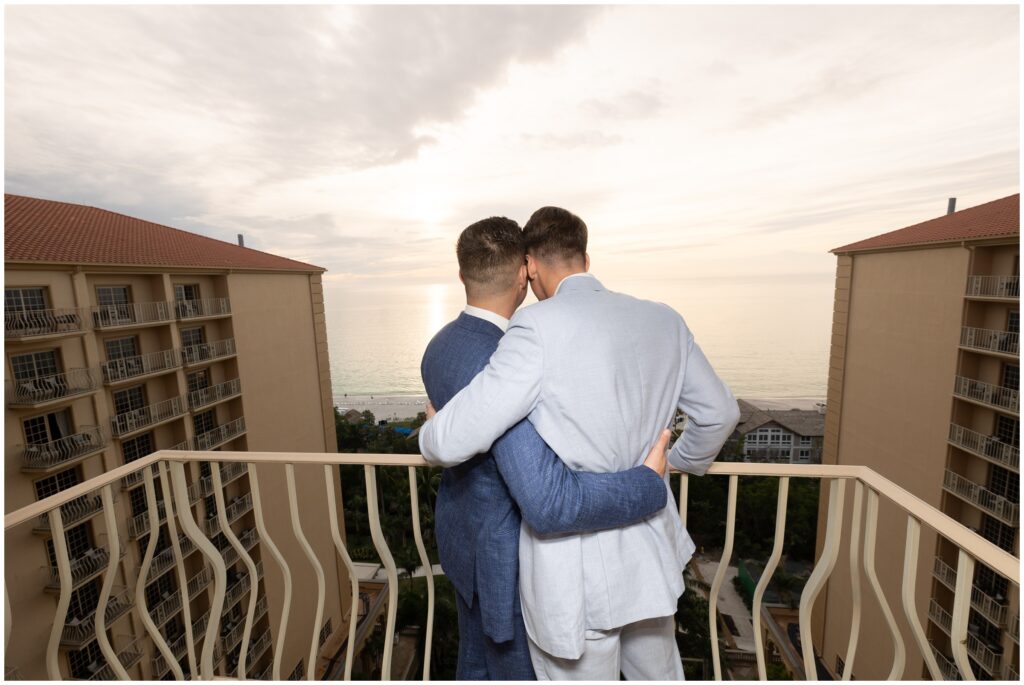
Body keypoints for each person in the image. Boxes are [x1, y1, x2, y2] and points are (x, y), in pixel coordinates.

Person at [420, 206, 740, 680]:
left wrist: (430, 427)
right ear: (585, 259)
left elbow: (448, 442)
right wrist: (676, 462)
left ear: (529, 265)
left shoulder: (536, 330)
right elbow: (720, 414)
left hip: (576, 571)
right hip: (650, 549)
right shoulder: (664, 320)